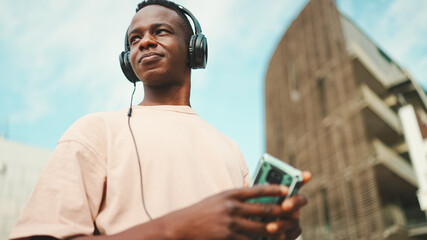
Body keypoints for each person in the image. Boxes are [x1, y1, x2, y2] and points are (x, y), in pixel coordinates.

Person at [10, 0, 311, 239]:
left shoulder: (229, 148)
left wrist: (275, 233)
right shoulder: (94, 130)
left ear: (195, 49)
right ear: (127, 62)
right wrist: (178, 229)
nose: (144, 42)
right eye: (134, 38)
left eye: (161, 31)